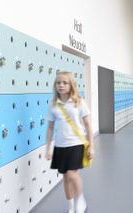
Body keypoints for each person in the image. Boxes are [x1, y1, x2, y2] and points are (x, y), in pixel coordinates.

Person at [46, 71, 94, 213]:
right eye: (58, 82)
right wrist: (48, 147)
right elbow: (50, 128)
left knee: (72, 174)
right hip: (60, 146)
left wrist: (92, 145)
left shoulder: (79, 102)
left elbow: (88, 125)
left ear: (71, 84)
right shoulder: (53, 104)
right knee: (65, 178)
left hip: (76, 144)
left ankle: (81, 201)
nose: (61, 85)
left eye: (64, 82)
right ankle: (71, 206)